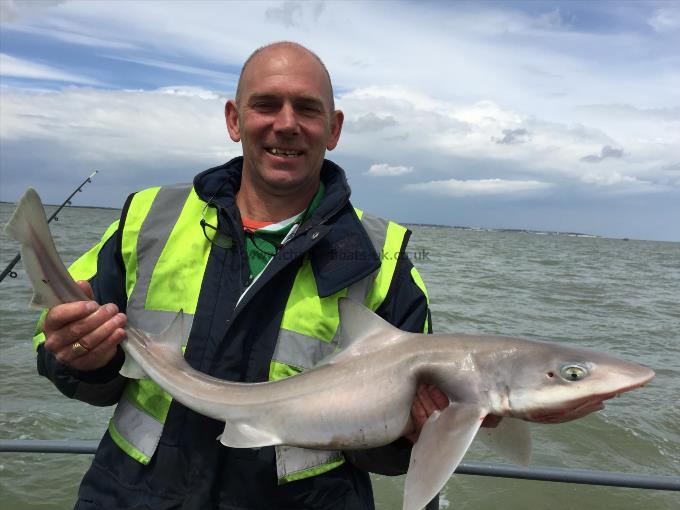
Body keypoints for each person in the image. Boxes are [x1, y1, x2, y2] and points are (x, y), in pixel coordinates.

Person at [34, 42, 451, 509]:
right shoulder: (148, 218)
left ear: (333, 129)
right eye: (267, 105)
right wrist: (80, 356)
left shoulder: (383, 259)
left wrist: (414, 431)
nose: (287, 124)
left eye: (308, 109)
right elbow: (59, 351)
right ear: (234, 119)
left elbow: (390, 453)